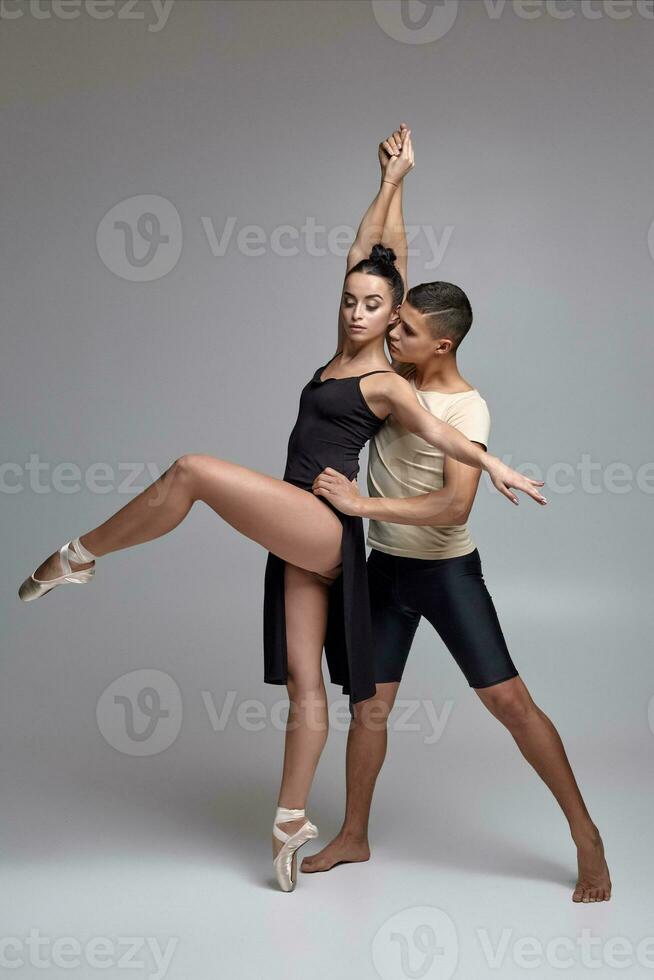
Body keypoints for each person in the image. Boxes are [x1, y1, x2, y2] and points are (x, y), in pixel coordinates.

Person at [18, 128, 546, 894]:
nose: (363, 312)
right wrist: (394, 180)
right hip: (296, 529)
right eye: (353, 302)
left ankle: (80, 557)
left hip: (325, 525)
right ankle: (291, 819)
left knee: (192, 472)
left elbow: (440, 431)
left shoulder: (387, 378)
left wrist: (495, 463)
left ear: (398, 322)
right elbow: (377, 253)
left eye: (379, 309)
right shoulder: (347, 340)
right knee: (306, 687)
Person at [302, 126, 611, 904]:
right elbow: (377, 263)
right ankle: (355, 833)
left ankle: (585, 833)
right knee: (368, 704)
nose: (381, 328)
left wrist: (360, 502)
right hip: (385, 571)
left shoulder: (464, 407)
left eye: (399, 328)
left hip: (444, 573)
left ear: (436, 346)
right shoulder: (388, 373)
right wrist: (395, 182)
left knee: (509, 702)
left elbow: (451, 503)